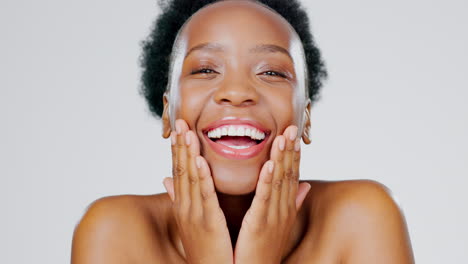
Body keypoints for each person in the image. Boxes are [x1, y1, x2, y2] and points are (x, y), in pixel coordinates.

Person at [71, 0, 415, 263]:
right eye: (206, 69)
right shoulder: (114, 233)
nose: (237, 92)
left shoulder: (363, 218)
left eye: (272, 73)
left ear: (306, 118)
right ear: (167, 111)